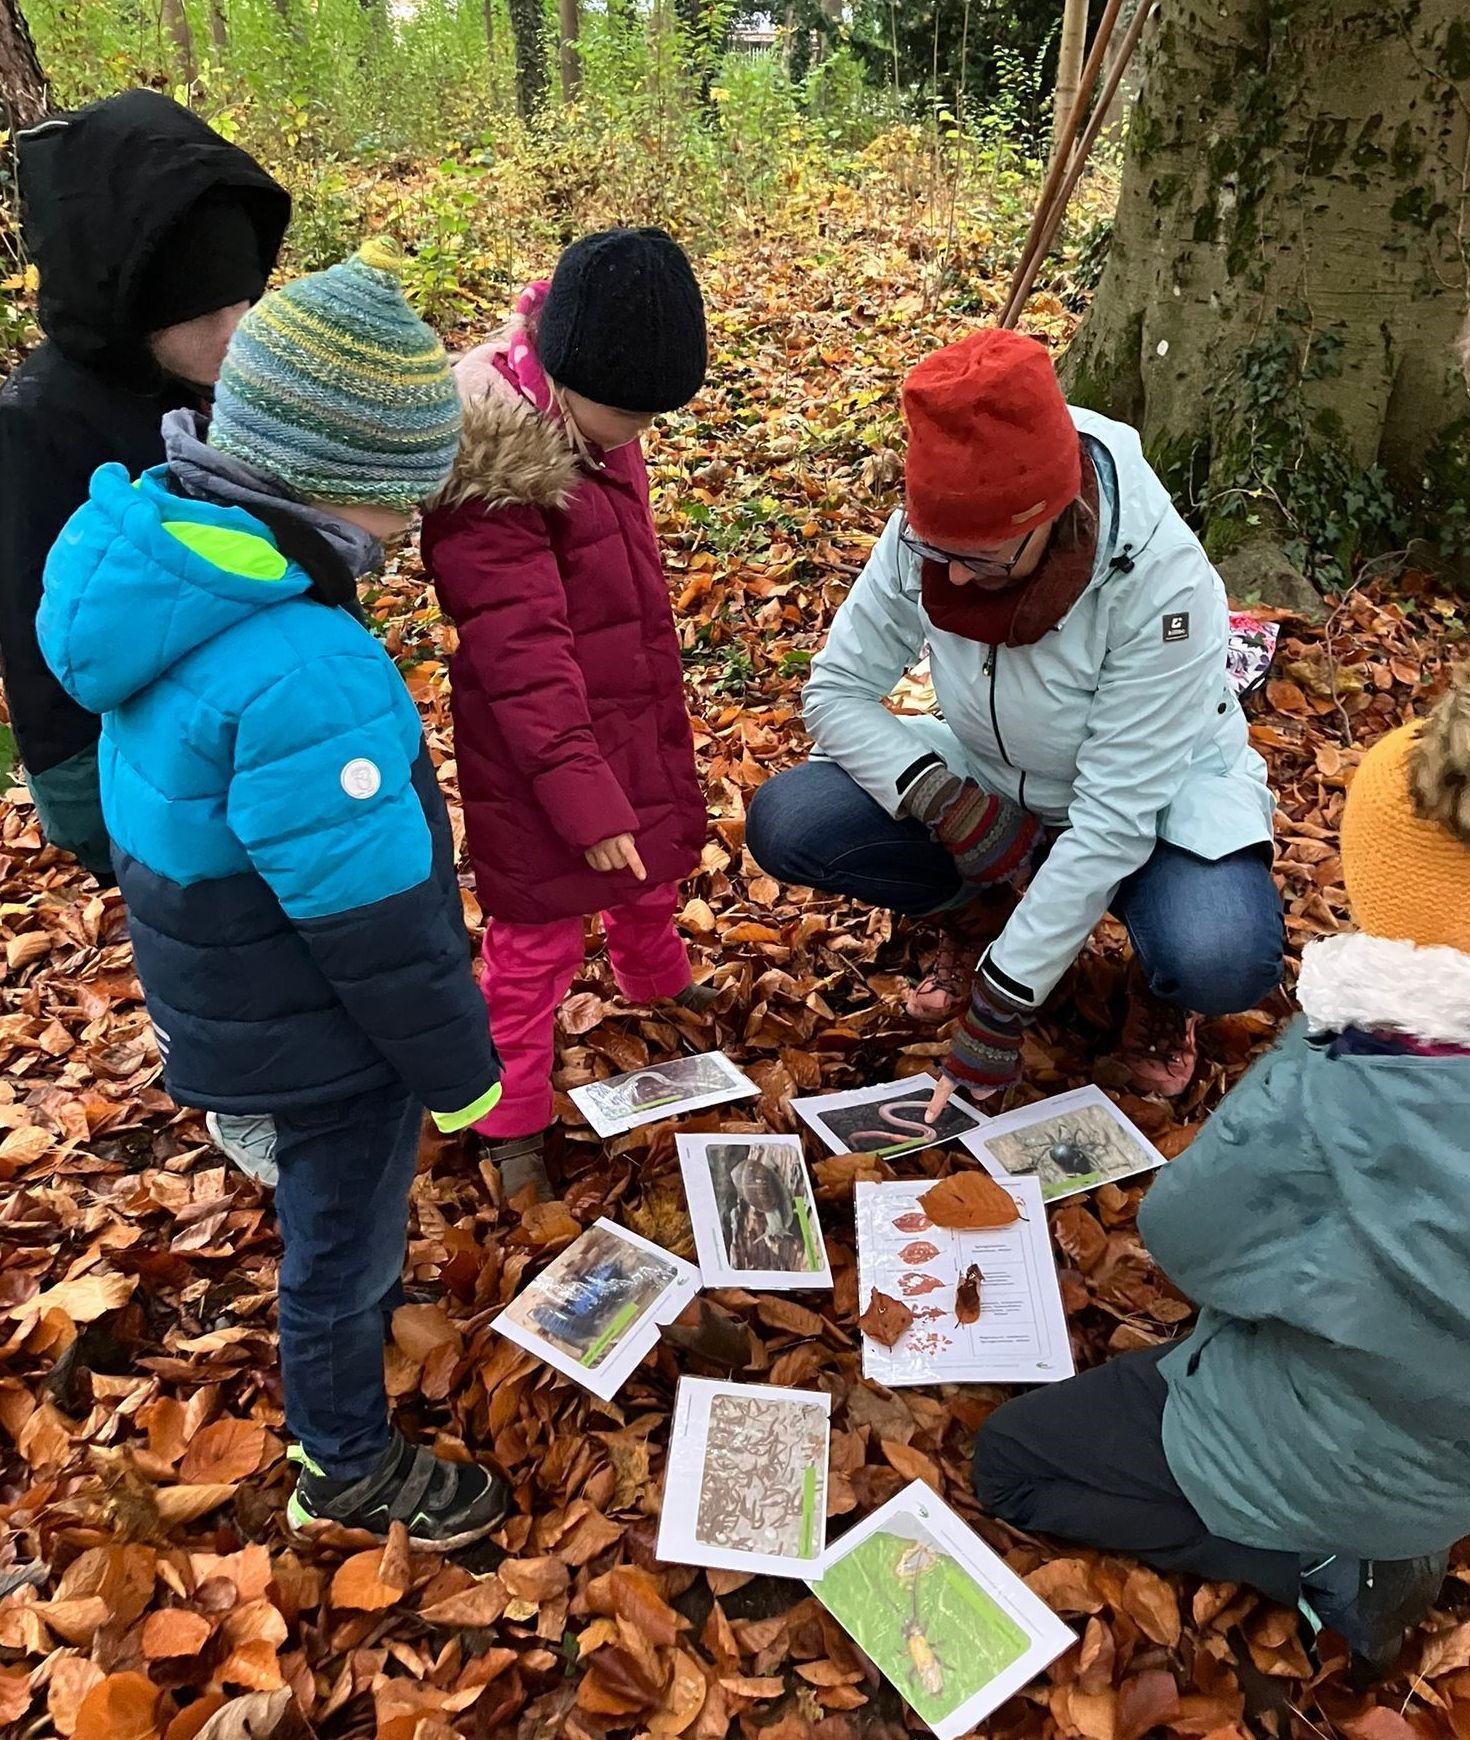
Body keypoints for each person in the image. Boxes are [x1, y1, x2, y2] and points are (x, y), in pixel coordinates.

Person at [38, 240, 509, 1548]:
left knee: (328, 1213)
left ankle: (336, 1333)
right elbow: (380, 929)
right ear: (343, 486)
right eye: (405, 502)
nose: (413, 531)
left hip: (223, 994)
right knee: (341, 1250)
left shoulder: (167, 582)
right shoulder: (310, 667)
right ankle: (345, 1463)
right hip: (322, 1040)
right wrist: (460, 1069)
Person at [972, 676, 1470, 1679]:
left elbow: (1186, 1240)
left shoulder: (1348, 1086)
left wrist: (1320, 1041)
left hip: (1342, 1454)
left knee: (1011, 1463)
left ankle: (1328, 1565)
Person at [746, 330, 1282, 1105]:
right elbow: (834, 690)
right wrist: (950, 804)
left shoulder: (1160, 583)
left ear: (1052, 514)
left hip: (1161, 803)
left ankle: (1162, 986)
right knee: (791, 819)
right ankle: (979, 913)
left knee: (1221, 954)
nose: (956, 576)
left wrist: (1001, 1009)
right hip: (993, 779)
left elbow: (1113, 818)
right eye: (939, 552)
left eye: (984, 560)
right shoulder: (933, 532)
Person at [0, 89, 290, 1186]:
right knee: (196, 936)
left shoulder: (225, 381)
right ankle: (233, 1095)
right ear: (127, 303)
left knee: (273, 912)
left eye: (245, 304)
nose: (235, 336)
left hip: (254, 727)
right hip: (139, 760)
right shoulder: (41, 423)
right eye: (205, 316)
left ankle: (288, 1062)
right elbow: (38, 634)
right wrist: (74, 791)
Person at [420, 228, 712, 1201]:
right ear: (564, 370)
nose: (636, 433)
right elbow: (521, 654)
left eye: (649, 415)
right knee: (536, 938)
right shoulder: (498, 465)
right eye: (625, 412)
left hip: (624, 710)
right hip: (534, 755)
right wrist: (582, 797)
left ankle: (656, 979)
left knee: (649, 871)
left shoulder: (593, 422)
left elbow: (617, 584)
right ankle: (509, 1122)